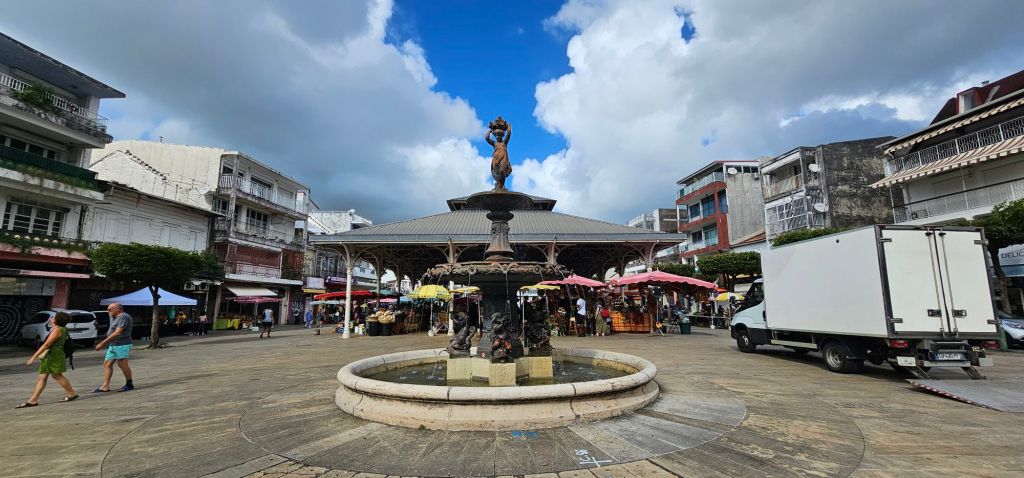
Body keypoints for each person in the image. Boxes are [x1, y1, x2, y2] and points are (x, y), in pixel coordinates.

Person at [17, 312, 79, 408]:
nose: (51, 319)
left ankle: (71, 393)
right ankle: (33, 400)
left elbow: (46, 345)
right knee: (43, 377)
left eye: (53, 318)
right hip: (52, 356)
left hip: (53, 356)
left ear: (56, 320)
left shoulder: (57, 330)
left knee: (56, 375)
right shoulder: (61, 329)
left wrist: (33, 357)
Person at [94, 302, 135, 393]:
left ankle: (129, 384)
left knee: (122, 363)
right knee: (107, 364)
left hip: (122, 344)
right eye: (107, 309)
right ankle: (105, 386)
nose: (108, 311)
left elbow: (117, 332)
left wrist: (102, 343)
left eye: (110, 309)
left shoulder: (123, 316)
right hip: (113, 344)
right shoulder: (114, 317)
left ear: (118, 309)